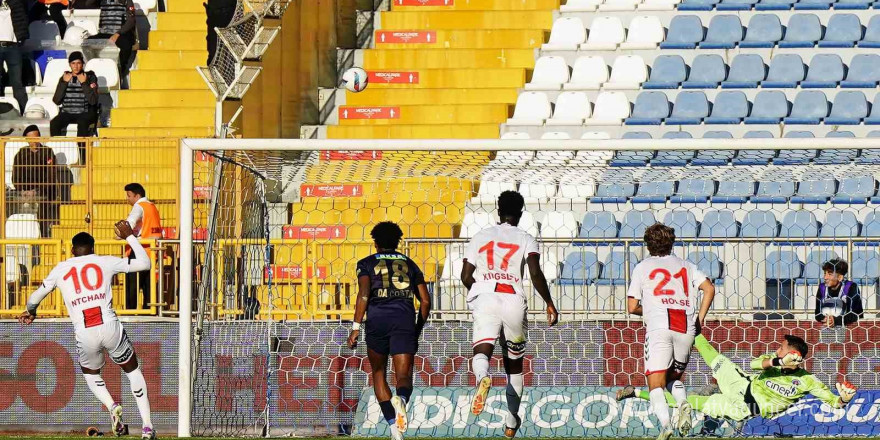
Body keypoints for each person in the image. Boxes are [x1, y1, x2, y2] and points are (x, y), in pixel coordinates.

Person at [18, 221, 157, 440]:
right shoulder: (105, 261)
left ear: (72, 250)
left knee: (91, 374)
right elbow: (144, 263)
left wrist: (30, 311)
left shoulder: (61, 268)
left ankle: (112, 406)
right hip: (109, 325)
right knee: (132, 370)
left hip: (85, 330)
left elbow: (35, 297)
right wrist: (130, 236)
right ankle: (147, 427)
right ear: (93, 248)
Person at [460, 190, 559, 439]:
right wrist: (549, 302)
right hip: (514, 299)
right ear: (522, 211)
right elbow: (535, 272)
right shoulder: (526, 237)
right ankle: (512, 421)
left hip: (486, 297)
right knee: (514, 366)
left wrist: (482, 291)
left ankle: (483, 378)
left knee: (482, 350)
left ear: (497, 209)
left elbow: (464, 276)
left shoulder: (480, 236)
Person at [617, 334, 857, 429]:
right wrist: (776, 362)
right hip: (741, 383)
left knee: (687, 402)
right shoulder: (772, 361)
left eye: (782, 348)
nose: (777, 349)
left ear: (795, 354)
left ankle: (636, 393)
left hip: (743, 408)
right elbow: (754, 365)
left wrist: (844, 399)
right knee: (711, 354)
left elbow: (835, 402)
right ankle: (692, 327)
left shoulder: (808, 380)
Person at [625, 223, 716, 440]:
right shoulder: (687, 265)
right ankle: (683, 403)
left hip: (659, 325)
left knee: (655, 382)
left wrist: (650, 309)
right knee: (673, 378)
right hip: (685, 325)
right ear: (672, 242)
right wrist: (699, 318)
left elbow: (631, 306)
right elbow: (709, 288)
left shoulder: (642, 267)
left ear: (648, 245)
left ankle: (666, 426)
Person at [347, 221, 432, 440]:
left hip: (377, 322)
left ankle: (395, 430)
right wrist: (417, 328)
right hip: (404, 320)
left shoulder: (366, 263)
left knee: (378, 373)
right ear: (397, 242)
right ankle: (401, 400)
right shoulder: (410, 263)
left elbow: (364, 294)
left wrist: (356, 327)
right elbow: (425, 301)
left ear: (375, 243)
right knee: (403, 375)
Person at [12, 125, 57, 238]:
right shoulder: (21, 154)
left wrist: (36, 191)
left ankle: (44, 236)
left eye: (36, 138)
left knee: (43, 204)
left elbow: (51, 176)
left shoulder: (47, 152)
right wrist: (22, 190)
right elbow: (15, 176)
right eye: (31, 139)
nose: (34, 142)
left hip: (42, 191)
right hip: (23, 191)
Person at [123, 183, 162, 310]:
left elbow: (129, 224)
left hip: (139, 250)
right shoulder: (152, 206)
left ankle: (131, 311)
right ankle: (149, 312)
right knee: (148, 285)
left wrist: (120, 234)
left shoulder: (138, 206)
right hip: (153, 250)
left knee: (132, 286)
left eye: (129, 195)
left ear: (137, 195)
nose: (127, 198)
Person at [49, 51, 99, 139]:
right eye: (73, 63)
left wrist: (84, 83)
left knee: (82, 122)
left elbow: (93, 100)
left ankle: (82, 151)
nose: (76, 66)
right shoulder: (65, 77)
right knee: (54, 123)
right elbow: (56, 101)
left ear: (82, 64)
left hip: (85, 112)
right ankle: (57, 150)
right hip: (67, 112)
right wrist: (64, 83)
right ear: (70, 64)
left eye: (79, 63)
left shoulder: (90, 77)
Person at [87, 0, 136, 81]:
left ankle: (120, 70)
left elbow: (131, 21)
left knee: (126, 45)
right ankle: (92, 69)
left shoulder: (127, 1)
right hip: (104, 33)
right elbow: (88, 4)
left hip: (120, 34)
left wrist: (118, 33)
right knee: (87, 43)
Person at [814, 258, 863, 328]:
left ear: (840, 277)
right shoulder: (822, 287)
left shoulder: (851, 287)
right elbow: (817, 313)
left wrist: (835, 320)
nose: (825, 277)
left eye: (829, 274)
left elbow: (854, 314)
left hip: (850, 328)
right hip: (827, 326)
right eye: (825, 273)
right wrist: (826, 319)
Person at [0, 0, 29, 114]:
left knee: (17, 83)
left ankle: (23, 112)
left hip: (13, 46)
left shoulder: (16, 2)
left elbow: (23, 19)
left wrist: (22, 38)